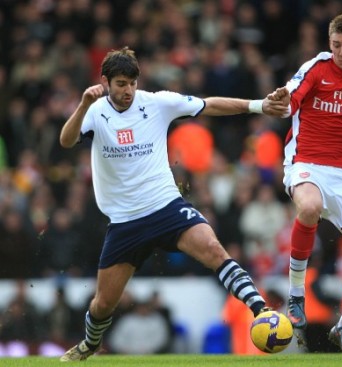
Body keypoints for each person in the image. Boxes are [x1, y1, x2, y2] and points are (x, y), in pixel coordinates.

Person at [58, 46, 287, 361]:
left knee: (214, 251)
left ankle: (261, 311)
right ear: (106, 81)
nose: (128, 90)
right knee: (102, 305)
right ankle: (90, 343)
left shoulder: (156, 103)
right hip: (125, 221)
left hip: (166, 206)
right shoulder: (95, 112)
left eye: (132, 83)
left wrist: (259, 105)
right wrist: (84, 103)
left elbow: (209, 105)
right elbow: (66, 140)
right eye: (121, 84)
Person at [267, 13, 342, 357]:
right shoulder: (316, 67)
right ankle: (296, 295)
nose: (341, 52)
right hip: (307, 161)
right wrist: (282, 99)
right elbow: (292, 96)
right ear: (329, 43)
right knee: (308, 206)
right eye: (336, 45)